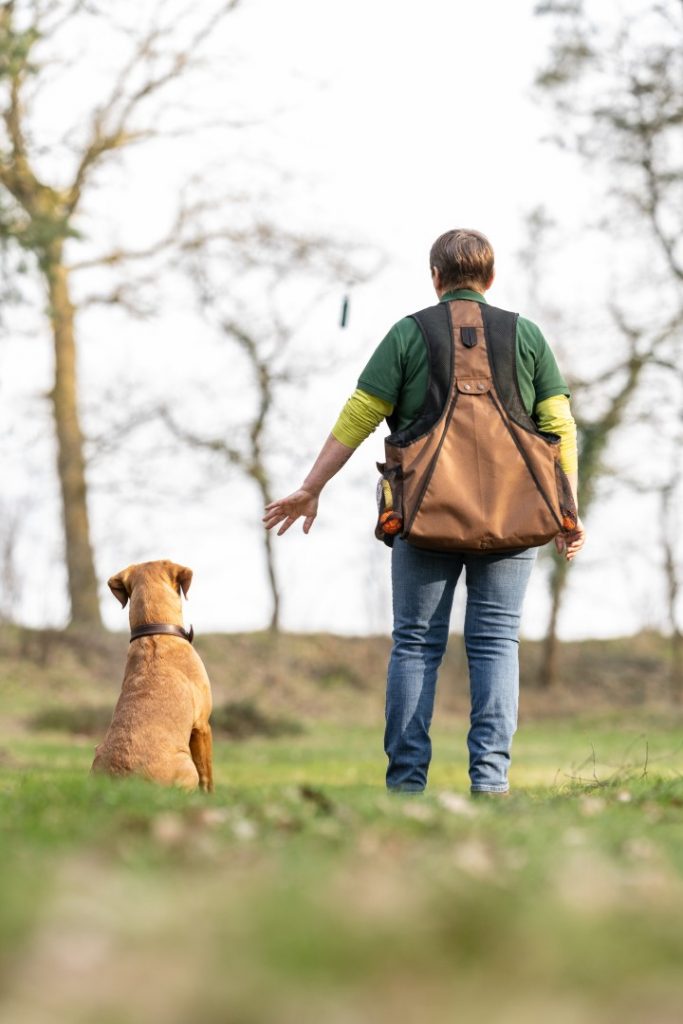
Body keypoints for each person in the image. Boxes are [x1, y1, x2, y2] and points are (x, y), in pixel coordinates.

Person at [263, 229, 585, 796]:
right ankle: (490, 783)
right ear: (491, 278)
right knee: (496, 642)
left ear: (435, 278)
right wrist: (567, 509)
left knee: (415, 643)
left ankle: (407, 785)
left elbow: (361, 413)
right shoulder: (526, 334)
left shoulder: (408, 333)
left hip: (424, 518)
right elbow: (559, 424)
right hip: (515, 520)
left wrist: (312, 487)